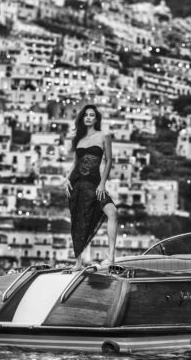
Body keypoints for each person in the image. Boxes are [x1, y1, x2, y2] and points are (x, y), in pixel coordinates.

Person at [64, 104, 117, 270]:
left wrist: (102, 184)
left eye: (91, 115)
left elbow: (109, 160)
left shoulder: (104, 136)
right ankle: (78, 262)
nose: (88, 117)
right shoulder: (79, 139)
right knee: (78, 222)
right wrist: (67, 178)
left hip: (95, 184)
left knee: (112, 212)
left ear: (96, 118)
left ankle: (111, 257)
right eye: (85, 115)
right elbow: (75, 162)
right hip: (77, 185)